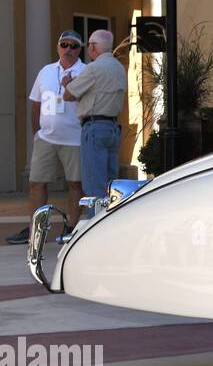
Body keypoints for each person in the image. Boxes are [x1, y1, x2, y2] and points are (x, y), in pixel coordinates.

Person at [7, 31, 86, 245]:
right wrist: (37, 133)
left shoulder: (86, 72)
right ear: (58, 47)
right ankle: (35, 229)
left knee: (76, 184)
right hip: (46, 139)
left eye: (73, 45)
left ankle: (73, 227)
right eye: (64, 44)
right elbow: (35, 104)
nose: (68, 49)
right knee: (36, 183)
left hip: (75, 139)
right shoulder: (46, 71)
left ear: (80, 49)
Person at [63, 29, 127, 200]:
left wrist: (68, 83)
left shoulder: (94, 68)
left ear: (93, 47)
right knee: (110, 183)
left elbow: (68, 95)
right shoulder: (119, 68)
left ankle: (96, 222)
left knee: (94, 185)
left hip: (95, 128)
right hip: (113, 128)